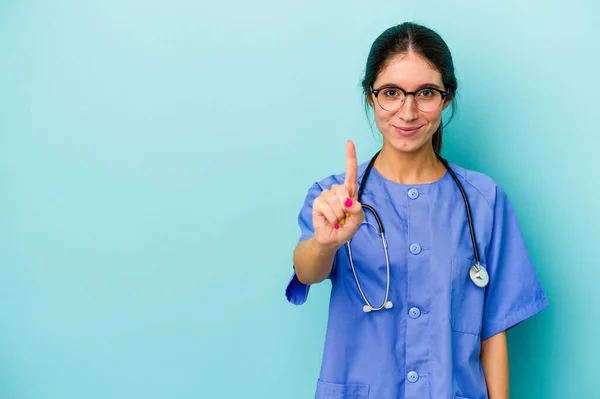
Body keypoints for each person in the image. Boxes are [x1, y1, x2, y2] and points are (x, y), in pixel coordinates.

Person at [285, 22, 549, 399]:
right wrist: (325, 244)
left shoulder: (483, 201)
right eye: (391, 93)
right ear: (371, 96)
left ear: (446, 98)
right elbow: (306, 271)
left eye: (425, 93)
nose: (407, 112)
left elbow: (494, 330)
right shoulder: (335, 198)